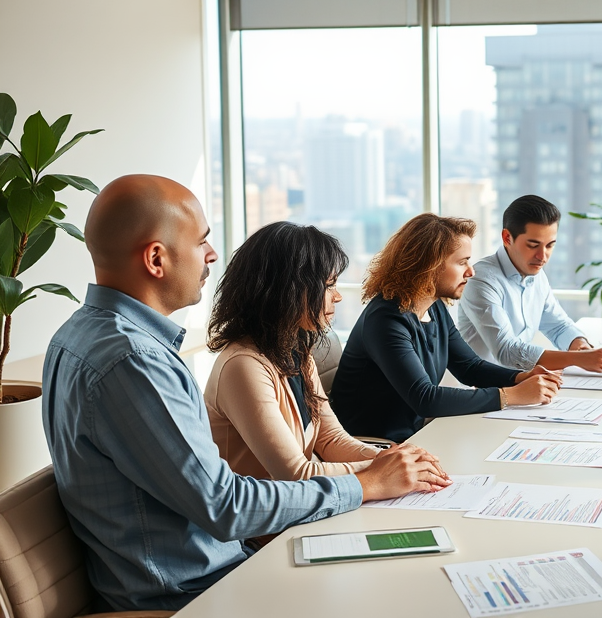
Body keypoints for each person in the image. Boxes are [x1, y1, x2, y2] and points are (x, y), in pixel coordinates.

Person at [42, 176, 449, 612]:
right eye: (202, 242)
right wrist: (364, 483)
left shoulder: (78, 336)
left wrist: (382, 471)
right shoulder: (134, 361)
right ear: (156, 258)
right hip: (193, 591)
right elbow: (225, 505)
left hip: (215, 565)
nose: (212, 255)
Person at [331, 213, 562, 443]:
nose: (470, 272)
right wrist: (511, 396)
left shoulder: (433, 307)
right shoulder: (385, 320)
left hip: (414, 435)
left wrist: (521, 378)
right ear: (428, 266)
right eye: (462, 262)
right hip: (374, 446)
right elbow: (426, 398)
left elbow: (469, 367)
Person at [206, 221, 409, 483]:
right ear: (286, 289)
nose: (337, 297)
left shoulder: (296, 350)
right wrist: (382, 470)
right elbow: (295, 473)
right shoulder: (243, 366)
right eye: (328, 285)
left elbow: (329, 439)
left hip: (296, 507)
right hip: (264, 519)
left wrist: (387, 459)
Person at [458, 194, 602, 373]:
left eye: (550, 245)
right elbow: (507, 351)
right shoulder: (480, 280)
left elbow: (558, 325)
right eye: (533, 245)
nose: (542, 256)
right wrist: (577, 359)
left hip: (522, 383)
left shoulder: (536, 274)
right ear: (507, 238)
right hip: (483, 391)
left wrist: (580, 346)